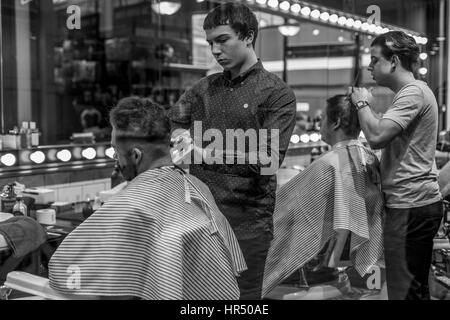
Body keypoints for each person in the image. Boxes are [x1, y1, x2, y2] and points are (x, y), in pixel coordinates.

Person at [48, 97, 247, 300]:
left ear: (136, 156)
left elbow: (62, 271)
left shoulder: (130, 206)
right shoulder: (198, 187)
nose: (116, 161)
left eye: (116, 153)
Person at [168, 3, 297, 299]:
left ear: (248, 36)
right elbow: (175, 119)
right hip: (199, 217)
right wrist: (179, 137)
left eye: (223, 40)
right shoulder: (202, 89)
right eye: (210, 42)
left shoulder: (276, 94)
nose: (215, 50)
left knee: (242, 300)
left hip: (247, 223)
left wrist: (201, 154)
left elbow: (268, 159)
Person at [262, 95, 385, 298]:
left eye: (322, 120)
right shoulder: (369, 158)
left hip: (311, 266)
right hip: (338, 261)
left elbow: (282, 214)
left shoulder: (328, 165)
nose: (320, 126)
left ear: (335, 122)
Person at [350, 31, 443, 300]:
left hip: (410, 206)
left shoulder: (413, 92)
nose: (369, 66)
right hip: (414, 205)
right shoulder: (411, 93)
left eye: (374, 59)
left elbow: (377, 136)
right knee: (413, 289)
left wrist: (361, 103)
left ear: (393, 61)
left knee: (404, 292)